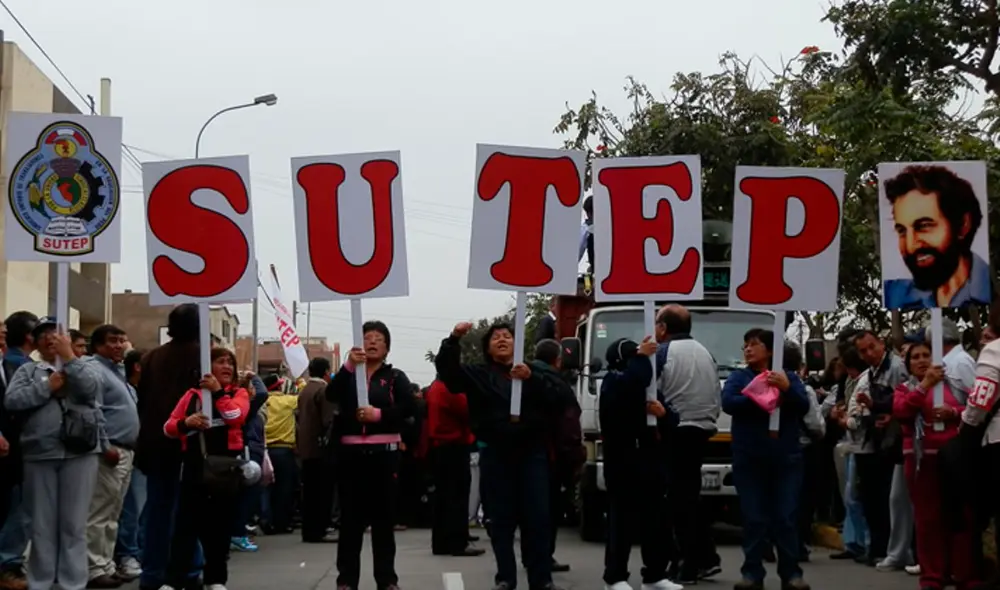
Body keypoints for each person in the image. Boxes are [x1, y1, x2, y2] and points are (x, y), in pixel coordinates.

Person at [435, 321, 565, 590]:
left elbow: (560, 400)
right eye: (496, 337)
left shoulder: (535, 372)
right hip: (496, 453)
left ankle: (541, 578)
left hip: (532, 455)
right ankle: (505, 577)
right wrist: (453, 339)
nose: (502, 340)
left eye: (507, 336)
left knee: (537, 517)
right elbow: (448, 373)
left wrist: (532, 378)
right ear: (487, 347)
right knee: (500, 520)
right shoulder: (478, 374)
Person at [4, 318, 103, 590]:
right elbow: (13, 400)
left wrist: (70, 360)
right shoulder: (29, 371)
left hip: (80, 453)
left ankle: (73, 582)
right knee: (42, 524)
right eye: (43, 335)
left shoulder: (84, 367)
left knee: (74, 523)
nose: (50, 339)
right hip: (40, 453)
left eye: (55, 333)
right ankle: (41, 580)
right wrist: (47, 387)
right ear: (35, 342)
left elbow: (92, 391)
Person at [327, 321, 416, 590]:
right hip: (351, 455)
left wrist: (378, 415)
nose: (372, 342)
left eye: (379, 338)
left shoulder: (395, 377)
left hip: (384, 454)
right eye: (367, 337)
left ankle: (387, 579)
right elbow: (331, 394)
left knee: (383, 522)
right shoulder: (347, 375)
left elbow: (408, 408)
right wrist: (348, 367)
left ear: (387, 347)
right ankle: (346, 581)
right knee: (351, 523)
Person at [721, 328, 812, 590]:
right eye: (745, 345)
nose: (748, 349)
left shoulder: (788, 378)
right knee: (754, 518)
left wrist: (784, 389)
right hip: (749, 459)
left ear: (771, 351)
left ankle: (791, 573)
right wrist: (762, 396)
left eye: (754, 344)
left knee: (785, 517)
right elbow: (729, 402)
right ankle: (752, 573)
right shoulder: (739, 377)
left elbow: (802, 406)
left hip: (786, 459)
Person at [160, 347, 250, 590]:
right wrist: (185, 423)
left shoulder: (239, 393)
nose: (227, 367)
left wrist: (218, 393)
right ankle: (174, 580)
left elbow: (235, 416)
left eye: (230, 363)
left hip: (224, 470)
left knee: (219, 530)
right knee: (184, 528)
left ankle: (216, 580)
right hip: (193, 467)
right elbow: (168, 427)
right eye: (220, 362)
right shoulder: (191, 396)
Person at [893, 341, 979, 590]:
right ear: (908, 364)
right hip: (922, 463)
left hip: (954, 460)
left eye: (926, 356)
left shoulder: (953, 385)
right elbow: (902, 411)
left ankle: (964, 574)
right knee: (928, 521)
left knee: (961, 517)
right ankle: (932, 576)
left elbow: (972, 408)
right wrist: (924, 386)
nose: (921, 360)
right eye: (915, 357)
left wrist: (953, 412)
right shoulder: (905, 389)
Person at [599, 336, 681, 590]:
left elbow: (673, 421)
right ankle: (615, 577)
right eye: (635, 356)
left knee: (656, 522)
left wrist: (663, 414)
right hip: (622, 465)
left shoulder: (649, 390)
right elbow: (633, 382)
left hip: (651, 464)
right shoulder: (613, 383)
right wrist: (641, 357)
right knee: (621, 525)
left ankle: (655, 574)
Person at [135, 304, 204, 590]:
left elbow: (143, 400)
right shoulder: (203, 358)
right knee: (187, 513)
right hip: (189, 443)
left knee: (157, 511)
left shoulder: (152, 357)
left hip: (154, 444)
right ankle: (187, 571)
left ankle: (152, 573)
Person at [654, 304, 722, 583]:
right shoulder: (705, 353)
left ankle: (688, 562)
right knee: (689, 497)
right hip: (702, 430)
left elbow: (651, 390)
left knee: (678, 501)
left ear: (663, 328)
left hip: (675, 431)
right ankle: (706, 558)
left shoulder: (663, 353)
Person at [882, 164, 990, 309]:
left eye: (924, 226)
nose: (910, 245)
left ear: (963, 225)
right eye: (902, 231)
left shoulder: (991, 289)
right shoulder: (894, 295)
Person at [849, 330, 912, 570]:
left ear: (881, 343)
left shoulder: (897, 367)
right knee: (871, 498)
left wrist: (891, 416)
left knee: (889, 499)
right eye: (863, 351)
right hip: (874, 440)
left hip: (893, 443)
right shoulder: (871, 372)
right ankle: (876, 547)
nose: (868, 354)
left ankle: (890, 549)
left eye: (871, 347)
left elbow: (906, 400)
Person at [85, 325, 140, 589]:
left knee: (114, 512)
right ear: (97, 345)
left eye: (122, 340)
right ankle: (93, 568)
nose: (119, 345)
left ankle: (106, 563)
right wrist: (104, 445)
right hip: (110, 451)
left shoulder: (118, 372)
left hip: (127, 451)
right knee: (99, 512)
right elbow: (93, 411)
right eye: (112, 341)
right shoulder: (94, 370)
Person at [530, 339, 584, 574]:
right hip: (553, 455)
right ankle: (543, 557)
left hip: (528, 452)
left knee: (531, 509)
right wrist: (574, 455)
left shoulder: (524, 378)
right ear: (558, 359)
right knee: (549, 510)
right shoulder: (557, 384)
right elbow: (568, 423)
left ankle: (530, 556)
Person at [0, 311, 38, 590]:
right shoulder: (17, 366)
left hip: (17, 449)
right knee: (18, 510)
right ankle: (8, 565)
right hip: (14, 451)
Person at [426, 377, 482, 557]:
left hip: (440, 444)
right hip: (454, 443)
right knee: (457, 494)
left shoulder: (436, 386)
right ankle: (458, 542)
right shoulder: (451, 386)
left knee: (444, 495)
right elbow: (466, 410)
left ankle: (441, 542)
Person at [296, 357, 339, 544]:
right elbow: (328, 420)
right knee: (322, 492)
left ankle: (309, 530)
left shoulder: (304, 390)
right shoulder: (323, 390)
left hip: (305, 447)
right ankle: (320, 530)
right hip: (321, 449)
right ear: (326, 372)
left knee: (309, 492)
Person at [114, 349, 146, 581]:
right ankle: (127, 554)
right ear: (137, 366)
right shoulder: (126, 387)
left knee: (139, 506)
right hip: (123, 452)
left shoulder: (140, 390)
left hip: (141, 454)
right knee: (130, 508)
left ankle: (137, 551)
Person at [263, 378, 298, 537]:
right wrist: (301, 382)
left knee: (266, 489)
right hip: (284, 450)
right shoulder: (288, 401)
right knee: (284, 489)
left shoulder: (263, 402)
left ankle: (267, 521)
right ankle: (282, 523)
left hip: (266, 450)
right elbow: (303, 395)